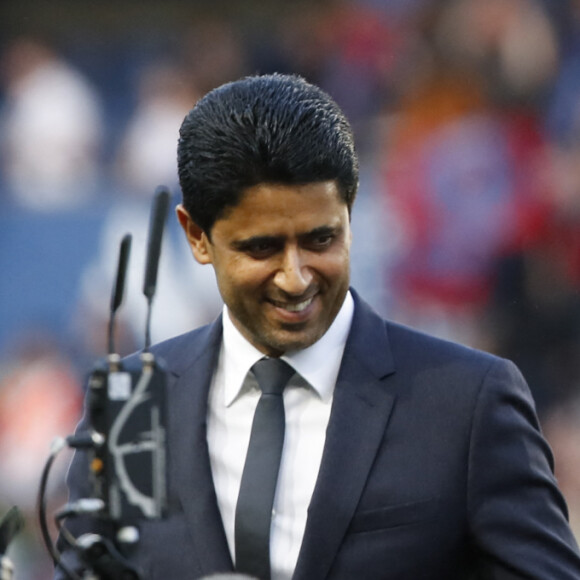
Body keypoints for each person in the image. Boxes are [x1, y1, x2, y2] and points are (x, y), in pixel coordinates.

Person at [57, 73, 580, 579]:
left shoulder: (467, 403)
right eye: (261, 247)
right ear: (196, 236)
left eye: (320, 240)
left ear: (351, 215)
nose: (296, 276)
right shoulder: (131, 406)